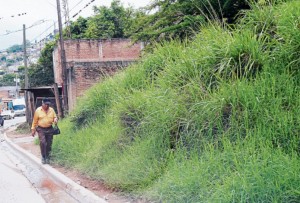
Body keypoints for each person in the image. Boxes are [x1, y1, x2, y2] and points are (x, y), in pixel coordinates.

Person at [31, 97, 58, 164]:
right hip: (41, 129)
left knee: (49, 143)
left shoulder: (51, 110)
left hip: (50, 128)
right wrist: (33, 129)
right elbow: (34, 121)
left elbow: (55, 116)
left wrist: (55, 119)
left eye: (48, 104)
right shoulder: (38, 110)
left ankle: (48, 157)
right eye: (46, 104)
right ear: (42, 103)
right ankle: (43, 156)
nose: (47, 106)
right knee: (43, 142)